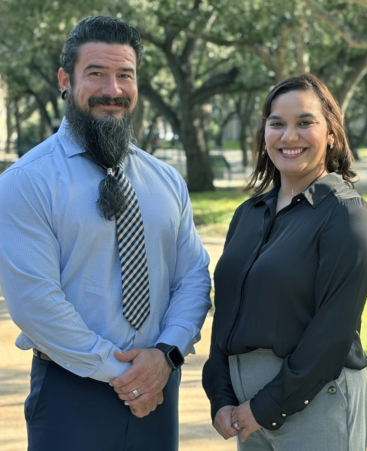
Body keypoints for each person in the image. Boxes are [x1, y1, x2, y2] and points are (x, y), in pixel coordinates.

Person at [0, 16, 211, 451]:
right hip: (70, 395)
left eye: (125, 76)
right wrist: (128, 375)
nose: (112, 90)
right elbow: (36, 303)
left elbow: (193, 277)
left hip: (158, 392)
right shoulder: (27, 181)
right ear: (65, 80)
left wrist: (167, 354)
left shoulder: (167, 181)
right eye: (96, 73)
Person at [202, 73, 367, 451]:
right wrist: (220, 392)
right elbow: (226, 309)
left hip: (314, 402)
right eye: (277, 123)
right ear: (264, 134)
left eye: (305, 123)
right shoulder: (247, 214)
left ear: (331, 133)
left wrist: (267, 406)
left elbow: (332, 333)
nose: (289, 136)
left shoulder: (347, 215)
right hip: (248, 410)